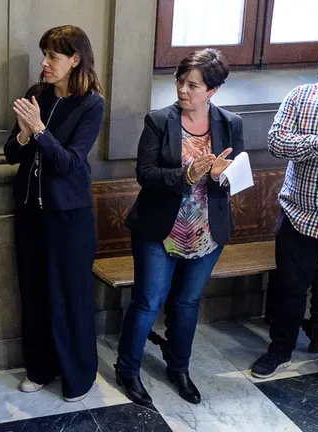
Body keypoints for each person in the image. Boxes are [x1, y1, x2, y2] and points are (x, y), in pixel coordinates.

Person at [115, 49, 243, 406]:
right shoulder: (159, 120)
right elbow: (145, 174)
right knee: (147, 301)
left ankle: (179, 368)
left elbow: (237, 177)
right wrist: (186, 175)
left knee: (187, 302)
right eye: (180, 81)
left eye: (193, 85)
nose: (183, 90)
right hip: (160, 230)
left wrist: (220, 177)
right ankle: (128, 368)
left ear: (212, 91)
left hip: (207, 230)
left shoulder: (230, 123)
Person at [3, 25, 104, 402]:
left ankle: (78, 376)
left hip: (68, 218)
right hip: (30, 212)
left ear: (75, 59)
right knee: (34, 293)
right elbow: (11, 154)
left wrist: (41, 130)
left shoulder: (91, 104)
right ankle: (40, 368)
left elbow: (69, 164)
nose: (44, 63)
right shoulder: (36, 95)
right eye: (43, 54)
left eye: (53, 57)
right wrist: (25, 135)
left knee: (69, 295)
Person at [251, 30, 318, 386]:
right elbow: (277, 142)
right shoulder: (301, 96)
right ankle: (279, 350)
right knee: (289, 289)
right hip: (299, 215)